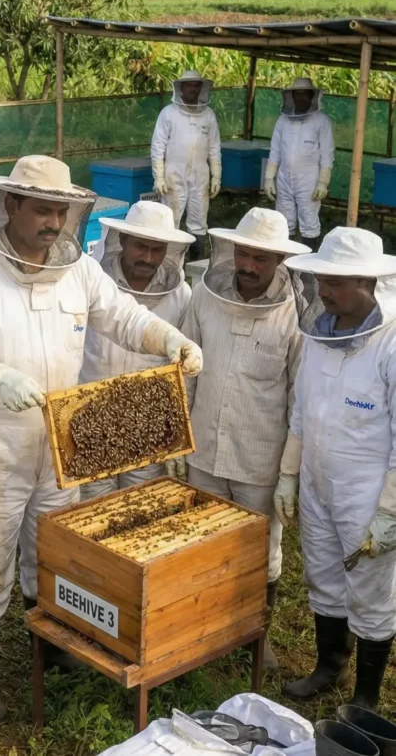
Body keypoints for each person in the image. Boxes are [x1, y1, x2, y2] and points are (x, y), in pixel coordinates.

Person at [0, 155, 202, 726]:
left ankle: (48, 647)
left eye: (60, 212)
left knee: (50, 549)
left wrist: (167, 338)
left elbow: (124, 317)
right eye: (41, 210)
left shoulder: (78, 272)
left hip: (62, 444)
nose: (53, 223)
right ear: (10, 206)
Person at [179, 207, 310, 670]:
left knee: (260, 547)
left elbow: (299, 397)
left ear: (280, 261)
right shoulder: (204, 296)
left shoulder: (296, 314)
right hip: (203, 449)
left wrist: (289, 471)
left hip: (260, 456)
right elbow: (185, 369)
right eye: (244, 254)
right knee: (202, 538)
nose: (249, 266)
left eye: (261, 258)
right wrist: (179, 435)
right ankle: (204, 624)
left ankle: (257, 633)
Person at [276, 227, 396, 710]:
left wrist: (389, 512)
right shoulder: (318, 334)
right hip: (317, 481)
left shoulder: (389, 344)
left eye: (334, 282)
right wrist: (289, 474)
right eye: (320, 280)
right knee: (322, 575)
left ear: (368, 283)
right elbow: (302, 412)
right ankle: (330, 666)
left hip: (367, 493)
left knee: (370, 590)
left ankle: (365, 697)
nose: (322, 290)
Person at [79, 200, 194, 498]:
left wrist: (176, 433)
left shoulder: (181, 295)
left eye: (157, 249)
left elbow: (181, 371)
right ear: (123, 240)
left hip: (148, 423)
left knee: (141, 504)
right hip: (90, 417)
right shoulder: (92, 283)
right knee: (95, 508)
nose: (148, 257)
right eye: (140, 246)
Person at [150, 70, 222, 261]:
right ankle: (170, 263)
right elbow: (158, 146)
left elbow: (214, 147)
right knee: (170, 220)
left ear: (201, 88)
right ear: (181, 88)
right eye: (189, 85)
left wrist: (216, 176)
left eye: (196, 85)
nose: (193, 89)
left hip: (200, 176)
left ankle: (196, 265)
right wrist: (159, 177)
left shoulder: (208, 115)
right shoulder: (168, 113)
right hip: (173, 175)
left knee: (199, 222)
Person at [264, 77, 335, 249]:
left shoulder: (321, 121)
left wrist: (323, 182)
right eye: (298, 94)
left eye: (305, 94)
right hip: (284, 179)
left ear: (312, 96)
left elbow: (327, 154)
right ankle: (284, 261)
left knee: (309, 222)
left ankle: (308, 262)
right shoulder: (282, 121)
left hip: (309, 180)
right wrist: (269, 178)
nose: (301, 98)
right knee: (283, 222)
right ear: (292, 96)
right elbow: (275, 151)